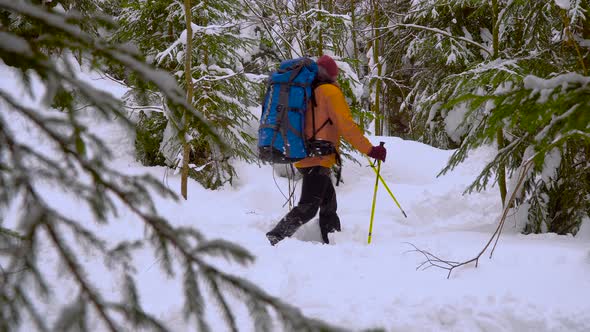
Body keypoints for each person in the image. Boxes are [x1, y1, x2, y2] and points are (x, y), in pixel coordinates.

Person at [265, 55, 387, 246]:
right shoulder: (329, 92)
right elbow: (346, 125)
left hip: (306, 153)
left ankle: (333, 238)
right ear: (332, 75)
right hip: (318, 157)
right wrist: (370, 150)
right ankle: (275, 237)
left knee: (328, 203)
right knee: (309, 206)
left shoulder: (307, 91)